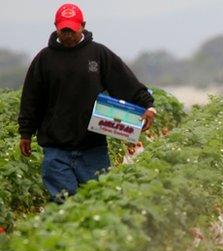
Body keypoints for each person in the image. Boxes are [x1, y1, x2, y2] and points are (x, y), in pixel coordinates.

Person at [18, 3, 156, 203]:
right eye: (63, 30)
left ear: (82, 25)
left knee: (98, 201)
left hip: (93, 147)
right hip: (56, 149)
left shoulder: (98, 54)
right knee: (64, 203)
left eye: (72, 30)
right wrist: (25, 133)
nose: (68, 35)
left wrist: (148, 106)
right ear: (56, 27)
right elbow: (31, 98)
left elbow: (124, 82)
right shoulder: (44, 59)